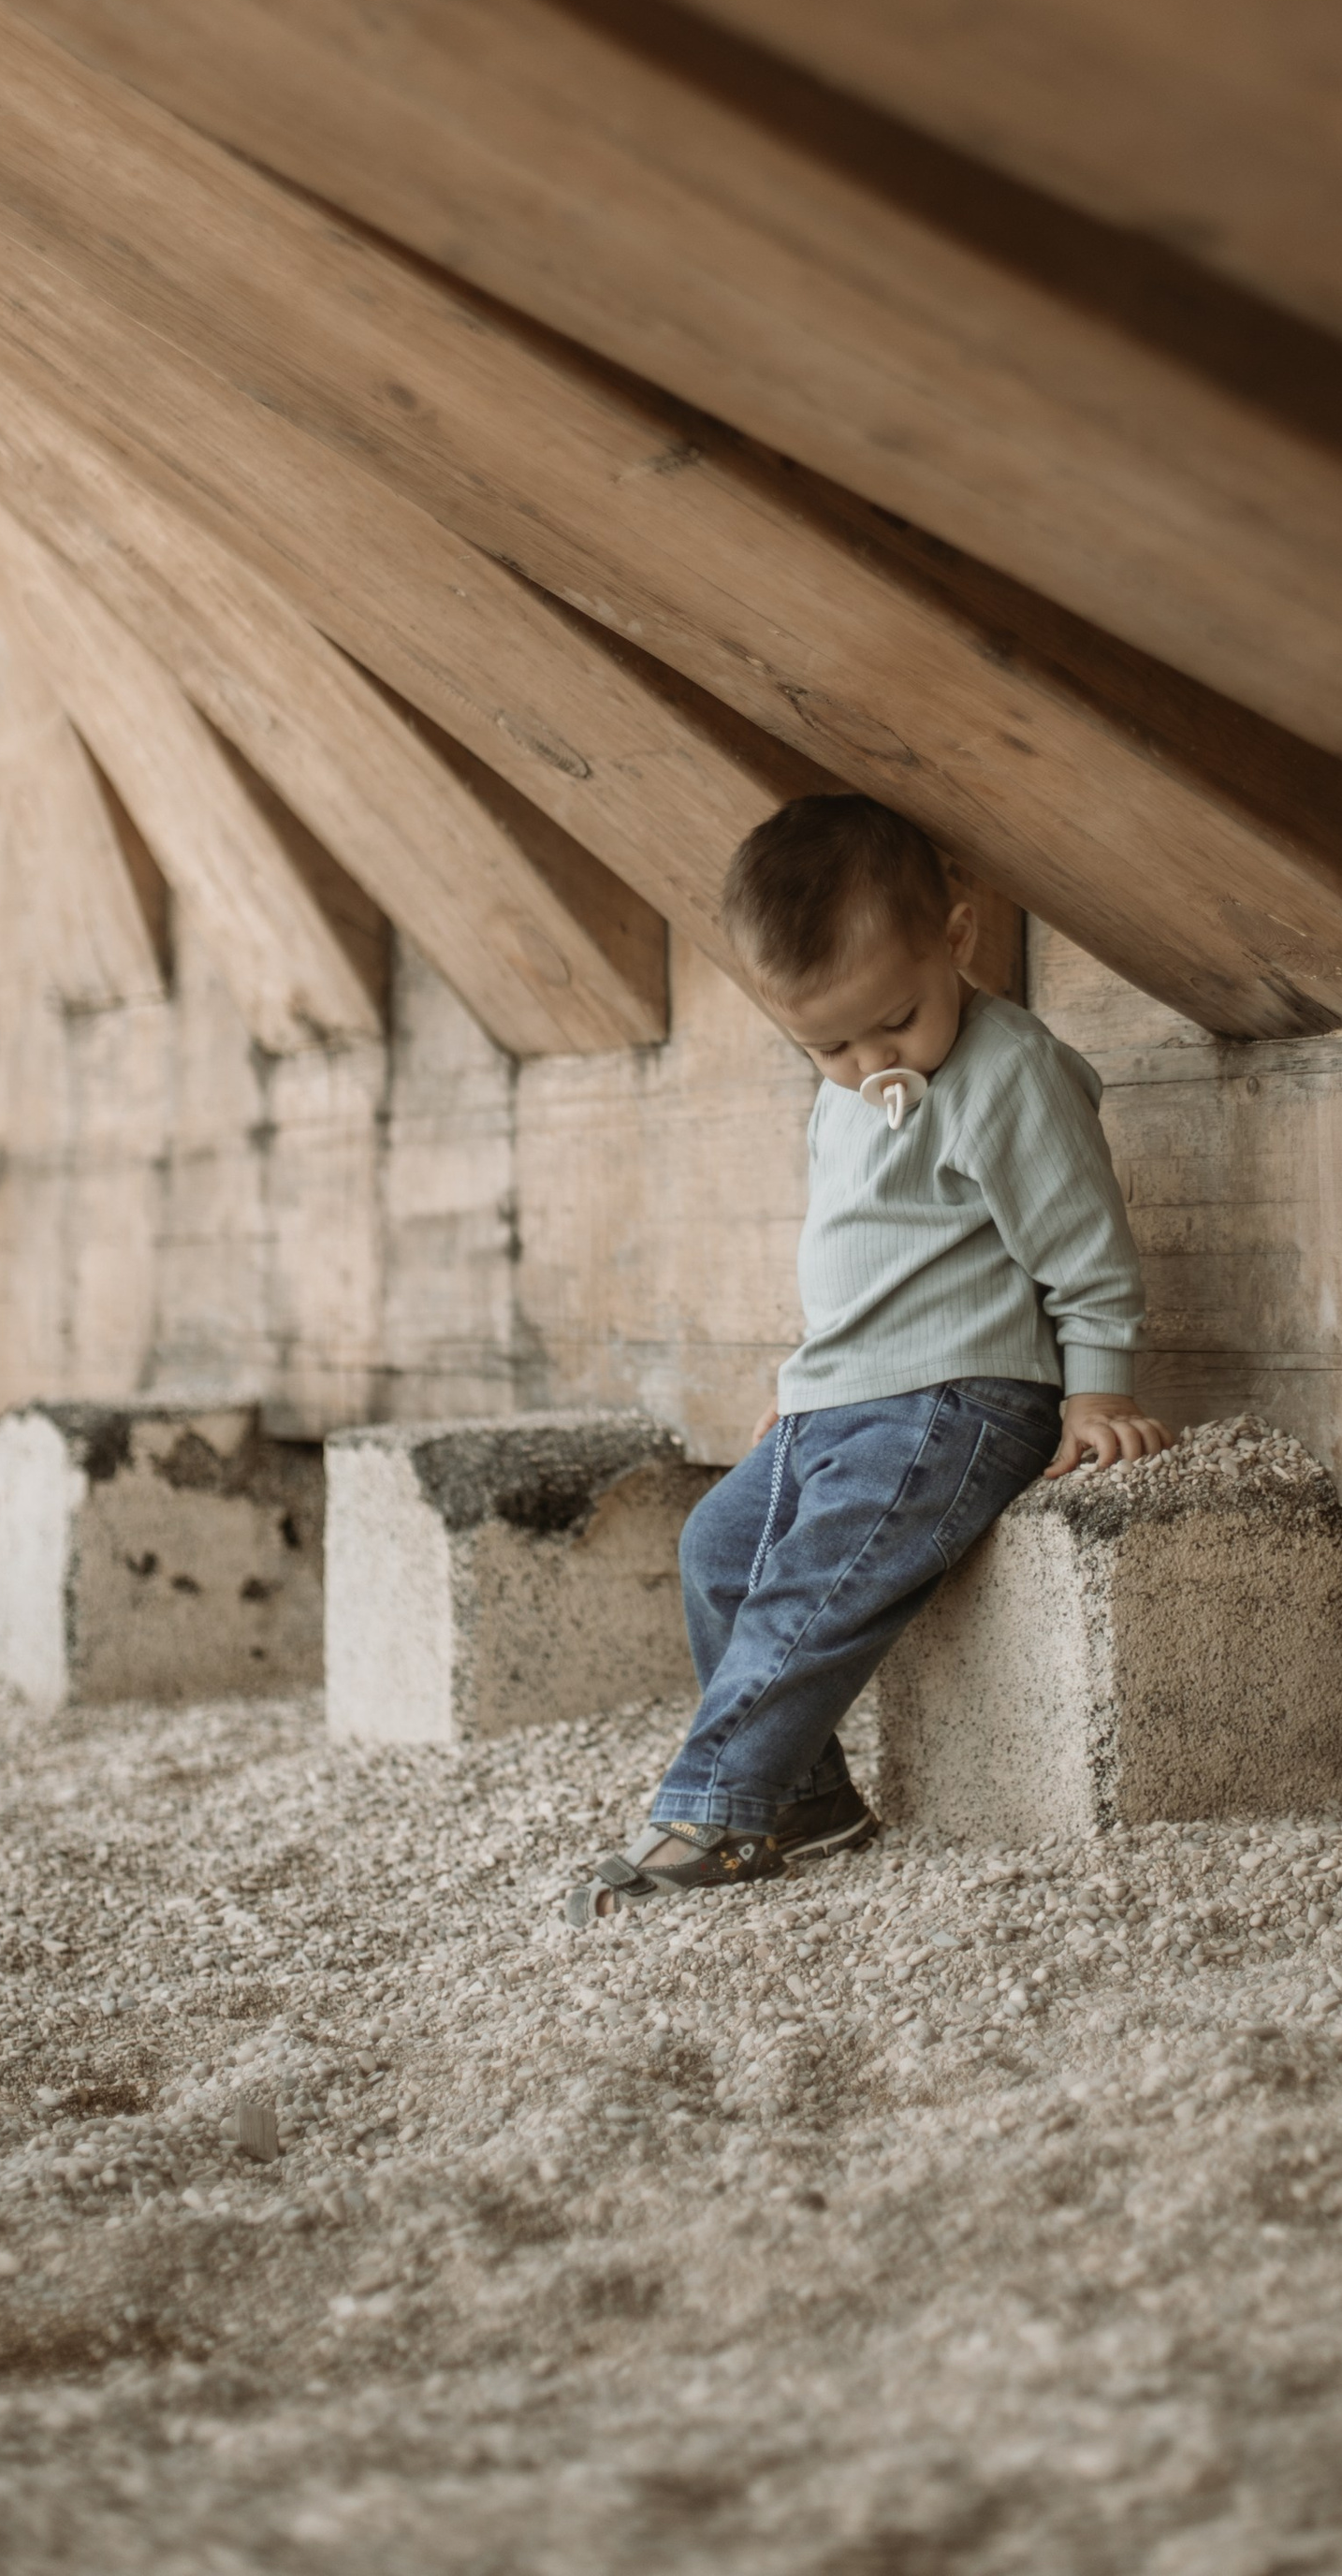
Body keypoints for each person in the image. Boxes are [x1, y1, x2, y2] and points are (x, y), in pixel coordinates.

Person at [566, 794, 1174, 1923]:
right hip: (839, 1400)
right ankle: (808, 1804)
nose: (865, 1059)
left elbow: (1083, 1247)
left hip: (956, 1403)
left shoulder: (1009, 1071)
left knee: (813, 1587)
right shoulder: (841, 1094)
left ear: (956, 939)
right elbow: (854, 1258)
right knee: (716, 1548)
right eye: (826, 1042)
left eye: (890, 1023)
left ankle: (717, 1809)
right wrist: (801, 1386)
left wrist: (1098, 1390)